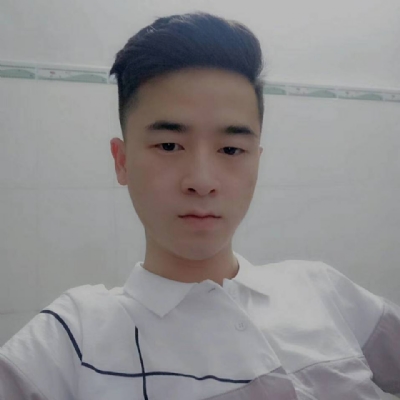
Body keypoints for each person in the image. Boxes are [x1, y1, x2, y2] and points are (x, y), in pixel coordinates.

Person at [1, 11, 399, 400]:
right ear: (121, 161)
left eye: (231, 149)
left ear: (256, 161)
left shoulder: (321, 289)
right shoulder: (70, 342)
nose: (202, 181)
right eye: (169, 145)